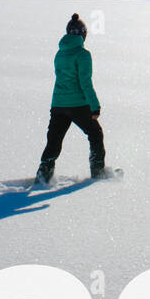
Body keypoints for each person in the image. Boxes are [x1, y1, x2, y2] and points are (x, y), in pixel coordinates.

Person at [34, 14, 105, 184]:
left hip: (58, 104)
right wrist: (95, 107)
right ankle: (98, 172)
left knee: (54, 141)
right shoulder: (83, 54)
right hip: (78, 105)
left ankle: (44, 174)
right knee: (95, 134)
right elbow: (85, 83)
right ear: (83, 34)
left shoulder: (60, 54)